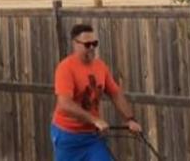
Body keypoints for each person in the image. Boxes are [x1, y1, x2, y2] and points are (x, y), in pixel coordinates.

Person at [51, 23, 142, 161]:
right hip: (68, 136)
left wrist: (130, 119)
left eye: (95, 43)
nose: (92, 48)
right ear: (75, 44)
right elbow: (64, 104)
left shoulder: (100, 67)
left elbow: (115, 93)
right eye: (87, 45)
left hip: (93, 137)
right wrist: (95, 120)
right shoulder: (65, 68)